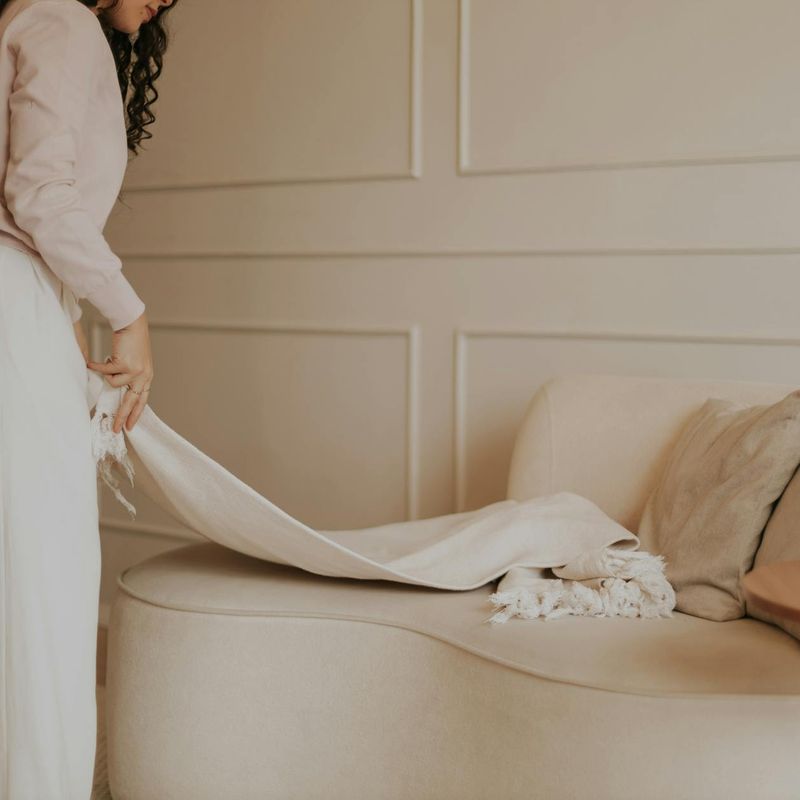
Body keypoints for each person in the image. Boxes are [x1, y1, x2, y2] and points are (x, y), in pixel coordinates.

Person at [0, 0, 177, 795]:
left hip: (27, 307)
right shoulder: (62, 20)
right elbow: (36, 193)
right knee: (45, 585)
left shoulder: (34, 19)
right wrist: (129, 313)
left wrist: (67, 327)